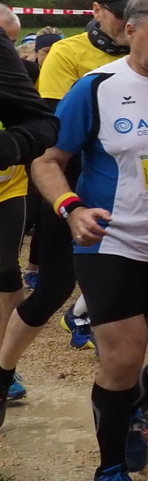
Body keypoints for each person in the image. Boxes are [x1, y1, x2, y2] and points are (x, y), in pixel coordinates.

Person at [22, 0, 148, 481]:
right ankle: (111, 472)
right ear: (130, 31)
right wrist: (70, 208)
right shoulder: (98, 87)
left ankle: (130, 415)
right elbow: (47, 159)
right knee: (122, 359)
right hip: (111, 241)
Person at [26, 0, 143, 355]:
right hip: (72, 179)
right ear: (96, 11)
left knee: (135, 285)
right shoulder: (67, 52)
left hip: (133, 187)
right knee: (54, 288)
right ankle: (5, 365)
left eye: (135, 13)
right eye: (119, 13)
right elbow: (55, 131)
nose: (127, 22)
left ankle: (95, 332)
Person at [0, 26, 58, 412]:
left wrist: (12, 145)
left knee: (6, 269)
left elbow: (41, 123)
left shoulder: (13, 68)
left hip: (8, 187)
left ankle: (4, 366)